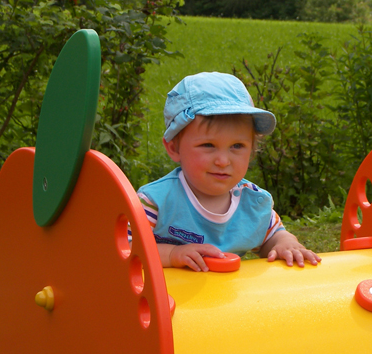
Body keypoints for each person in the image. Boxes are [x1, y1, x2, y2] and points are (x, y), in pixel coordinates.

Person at [137, 72, 321, 272]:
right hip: (168, 291)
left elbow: (273, 235)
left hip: (227, 292)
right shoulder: (154, 202)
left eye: (237, 146)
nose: (223, 161)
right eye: (208, 145)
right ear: (174, 148)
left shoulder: (253, 203)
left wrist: (286, 243)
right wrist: (172, 254)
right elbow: (126, 249)